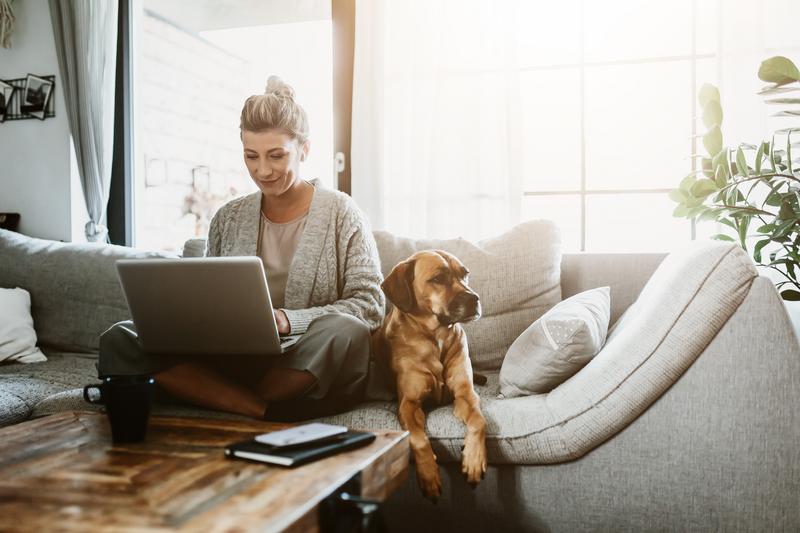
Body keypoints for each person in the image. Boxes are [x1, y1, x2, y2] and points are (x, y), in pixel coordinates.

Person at [97, 76, 387, 421]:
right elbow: (207, 296)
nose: (262, 170)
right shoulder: (228, 217)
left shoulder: (342, 212)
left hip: (302, 359)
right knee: (119, 338)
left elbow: (369, 306)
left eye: (276, 155)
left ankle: (213, 395)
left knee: (346, 331)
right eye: (251, 156)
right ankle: (262, 410)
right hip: (233, 358)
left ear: (305, 149)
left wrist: (287, 321)